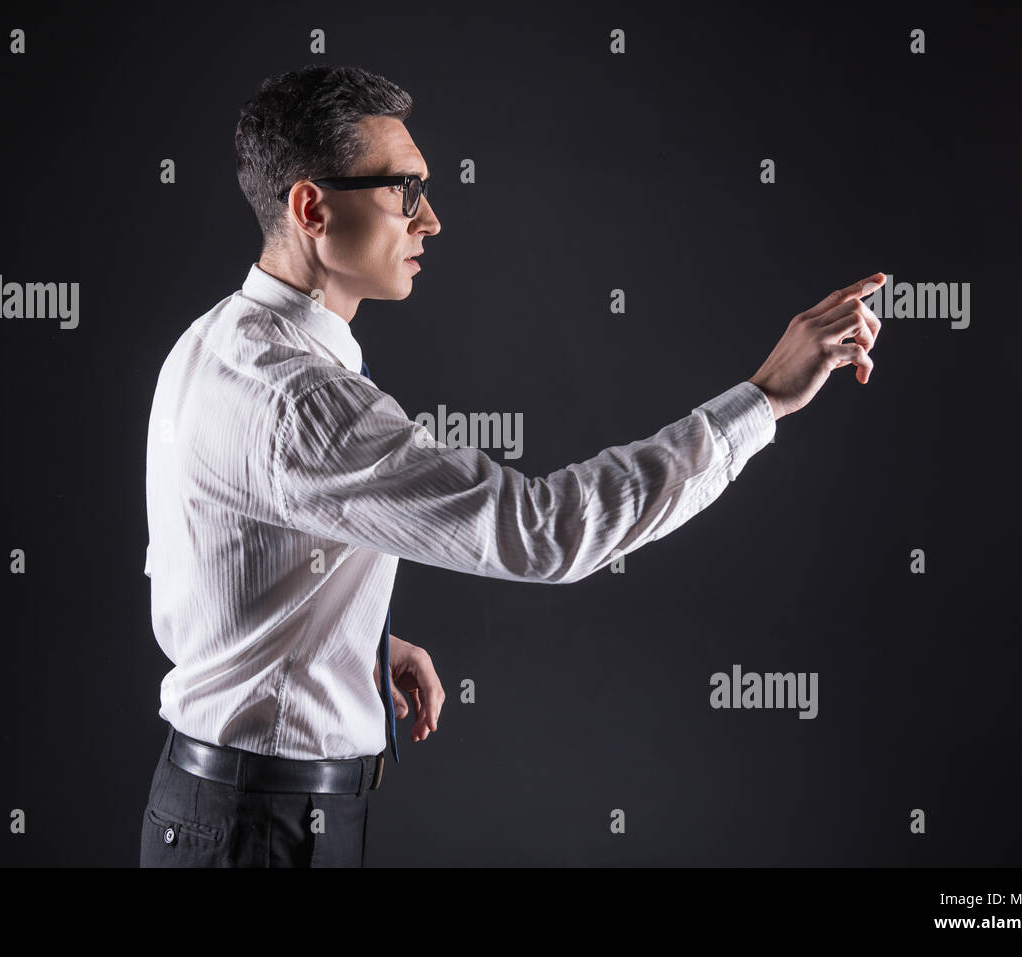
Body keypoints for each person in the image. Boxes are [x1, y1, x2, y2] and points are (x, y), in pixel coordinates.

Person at [138, 64, 883, 868]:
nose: (431, 220)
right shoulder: (302, 400)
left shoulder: (213, 341)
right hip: (264, 830)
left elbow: (204, 560)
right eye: (404, 190)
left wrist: (344, 644)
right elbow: (546, 532)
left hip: (221, 810)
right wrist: (763, 398)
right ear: (312, 207)